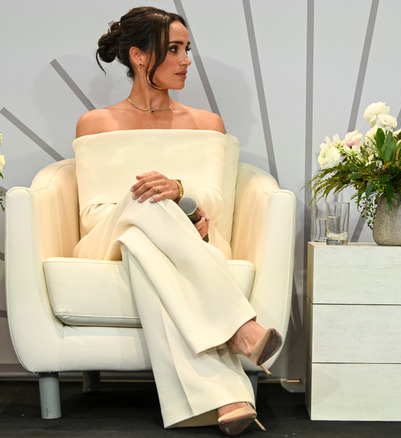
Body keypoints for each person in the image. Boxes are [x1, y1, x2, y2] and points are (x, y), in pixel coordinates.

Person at [73, 7, 282, 435]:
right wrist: (159, 201)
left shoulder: (206, 124)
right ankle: (240, 328)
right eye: (173, 49)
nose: (186, 60)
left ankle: (227, 399)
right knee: (146, 199)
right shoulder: (94, 124)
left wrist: (183, 201)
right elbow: (92, 213)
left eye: (187, 49)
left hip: (184, 239)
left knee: (143, 245)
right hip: (105, 240)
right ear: (138, 56)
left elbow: (215, 201)